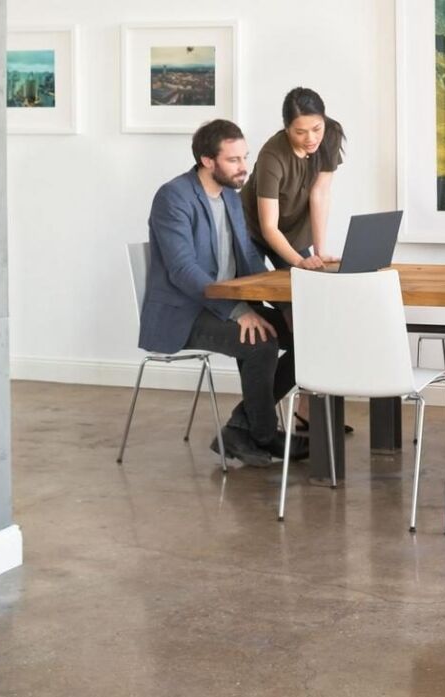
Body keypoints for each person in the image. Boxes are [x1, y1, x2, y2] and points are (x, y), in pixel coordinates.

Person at [140, 119, 308, 467]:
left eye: (244, 157)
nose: (244, 167)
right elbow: (183, 270)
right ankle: (263, 434)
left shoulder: (230, 197)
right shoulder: (173, 197)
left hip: (227, 304)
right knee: (260, 342)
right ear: (207, 160)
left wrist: (286, 305)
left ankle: (240, 428)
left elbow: (247, 259)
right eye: (234, 160)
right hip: (184, 312)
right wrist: (238, 310)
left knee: (307, 336)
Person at [241, 87, 350, 433]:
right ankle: (255, 417)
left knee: (311, 319)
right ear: (287, 128)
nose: (310, 138)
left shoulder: (329, 136)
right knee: (280, 319)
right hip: (254, 234)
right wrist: (298, 263)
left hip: (295, 234)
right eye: (300, 132)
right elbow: (269, 226)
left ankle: (305, 409)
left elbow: (319, 194)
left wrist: (318, 251)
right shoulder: (273, 155)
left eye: (316, 128)